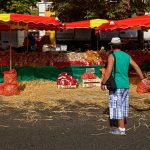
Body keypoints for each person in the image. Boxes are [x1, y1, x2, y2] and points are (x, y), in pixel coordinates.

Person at [101, 37, 145, 135]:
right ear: (120, 45)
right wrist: (142, 78)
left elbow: (108, 71)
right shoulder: (126, 55)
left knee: (118, 107)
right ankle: (121, 125)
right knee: (124, 105)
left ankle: (121, 129)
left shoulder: (112, 56)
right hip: (125, 85)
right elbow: (136, 66)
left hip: (117, 85)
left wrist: (103, 82)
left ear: (111, 46)